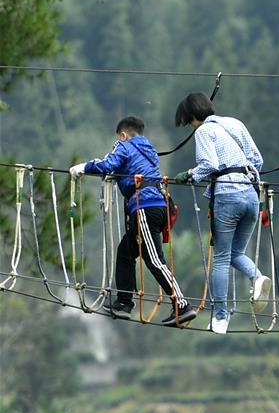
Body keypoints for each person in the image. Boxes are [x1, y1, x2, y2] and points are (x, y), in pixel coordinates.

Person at [70, 115, 196, 326]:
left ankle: (182, 306)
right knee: (126, 252)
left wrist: (84, 167)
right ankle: (124, 303)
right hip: (155, 205)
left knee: (155, 260)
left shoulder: (124, 146)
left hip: (145, 207)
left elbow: (108, 164)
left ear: (123, 134)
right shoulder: (149, 151)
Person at [174, 92, 270, 335]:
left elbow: (209, 165)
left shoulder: (204, 131)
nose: (192, 126)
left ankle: (219, 317)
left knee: (220, 258)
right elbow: (256, 160)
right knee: (235, 253)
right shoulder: (235, 123)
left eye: (190, 121)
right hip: (250, 195)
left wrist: (190, 174)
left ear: (194, 116)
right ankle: (257, 278)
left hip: (227, 196)